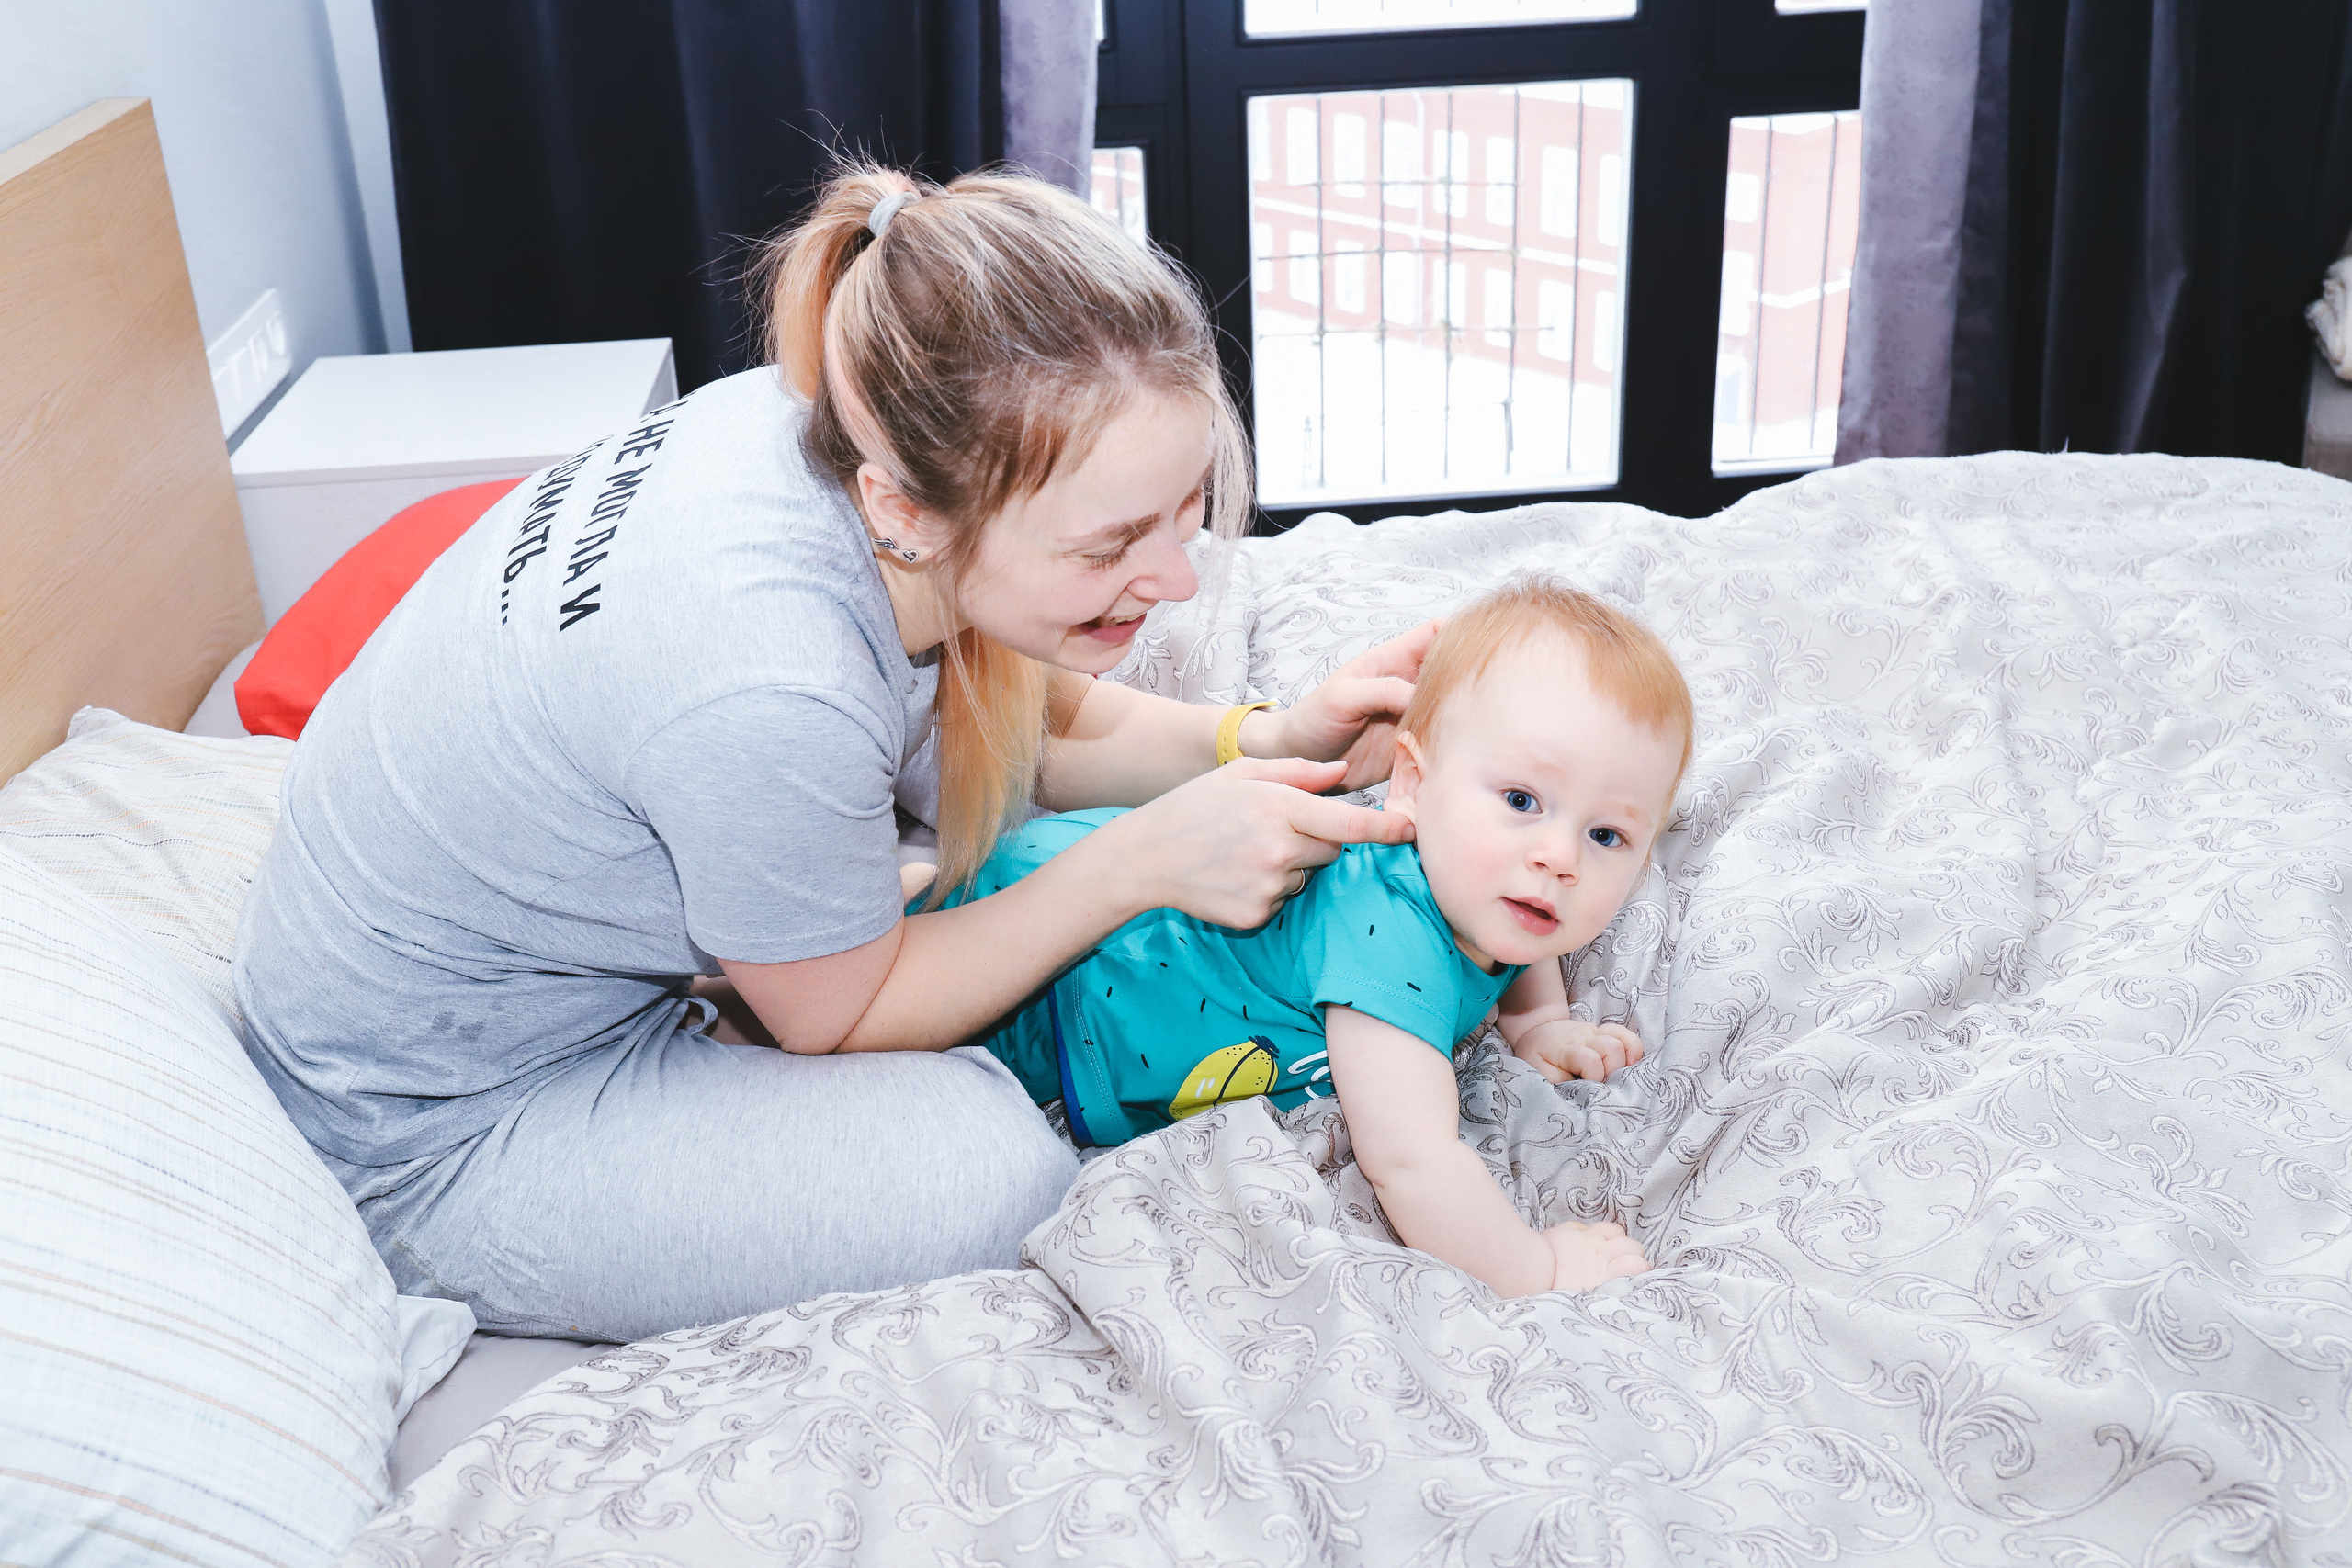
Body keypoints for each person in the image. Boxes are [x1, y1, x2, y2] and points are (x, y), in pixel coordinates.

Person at [233, 164, 1438, 1344]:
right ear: (905, 511)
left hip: (457, 964)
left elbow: (1010, 722)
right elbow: (842, 1015)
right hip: (434, 1123)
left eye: (1183, 514)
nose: (1176, 583)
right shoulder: (769, 675)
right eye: (1111, 543)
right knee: (990, 1168)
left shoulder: (836, 412)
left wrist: (1267, 736)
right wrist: (1139, 862)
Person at [916, 578, 1692, 1297]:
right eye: (1522, 798)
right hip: (1056, 989)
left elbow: (1526, 941)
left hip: (1103, 928)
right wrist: (1539, 1267)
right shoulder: (1388, 942)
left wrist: (1539, 1023)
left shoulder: (1496, 886)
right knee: (894, 978)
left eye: (1607, 833)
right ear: (1413, 784)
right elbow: (1412, 1161)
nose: (1558, 858)